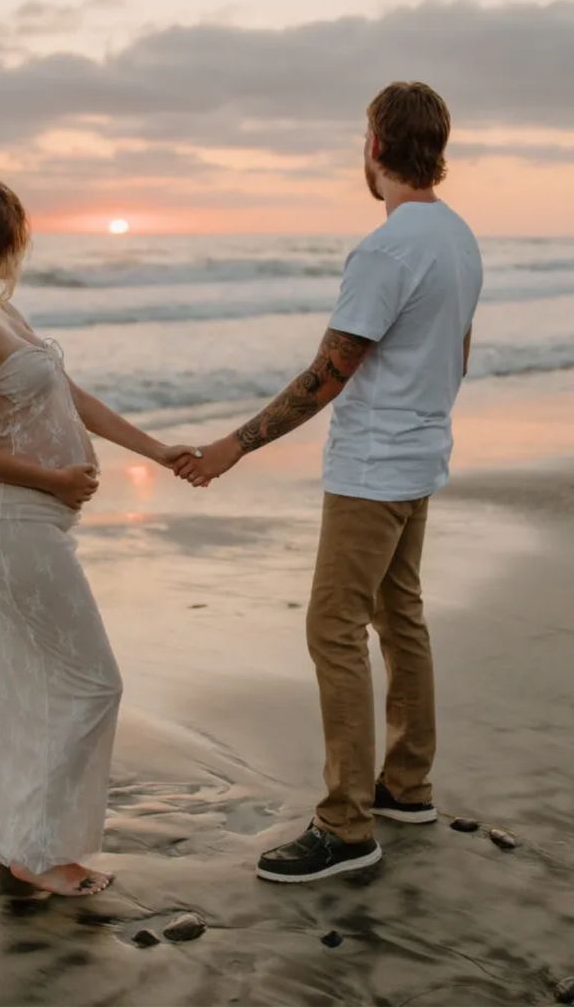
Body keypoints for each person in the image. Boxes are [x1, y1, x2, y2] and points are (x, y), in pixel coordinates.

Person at [173, 82, 483, 883]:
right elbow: (459, 351)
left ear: (375, 146)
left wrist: (233, 445)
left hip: (374, 469)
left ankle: (346, 824)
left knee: (333, 629)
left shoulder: (386, 249)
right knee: (399, 613)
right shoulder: (458, 237)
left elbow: (327, 374)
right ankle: (406, 784)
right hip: (419, 456)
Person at [0, 170, 196, 897]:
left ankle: (22, 845)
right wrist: (54, 480)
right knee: (93, 683)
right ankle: (39, 852)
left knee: (27, 689)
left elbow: (74, 397)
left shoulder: (1, 311)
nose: (19, 251)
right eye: (14, 236)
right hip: (11, 521)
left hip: (32, 524)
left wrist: (156, 450)